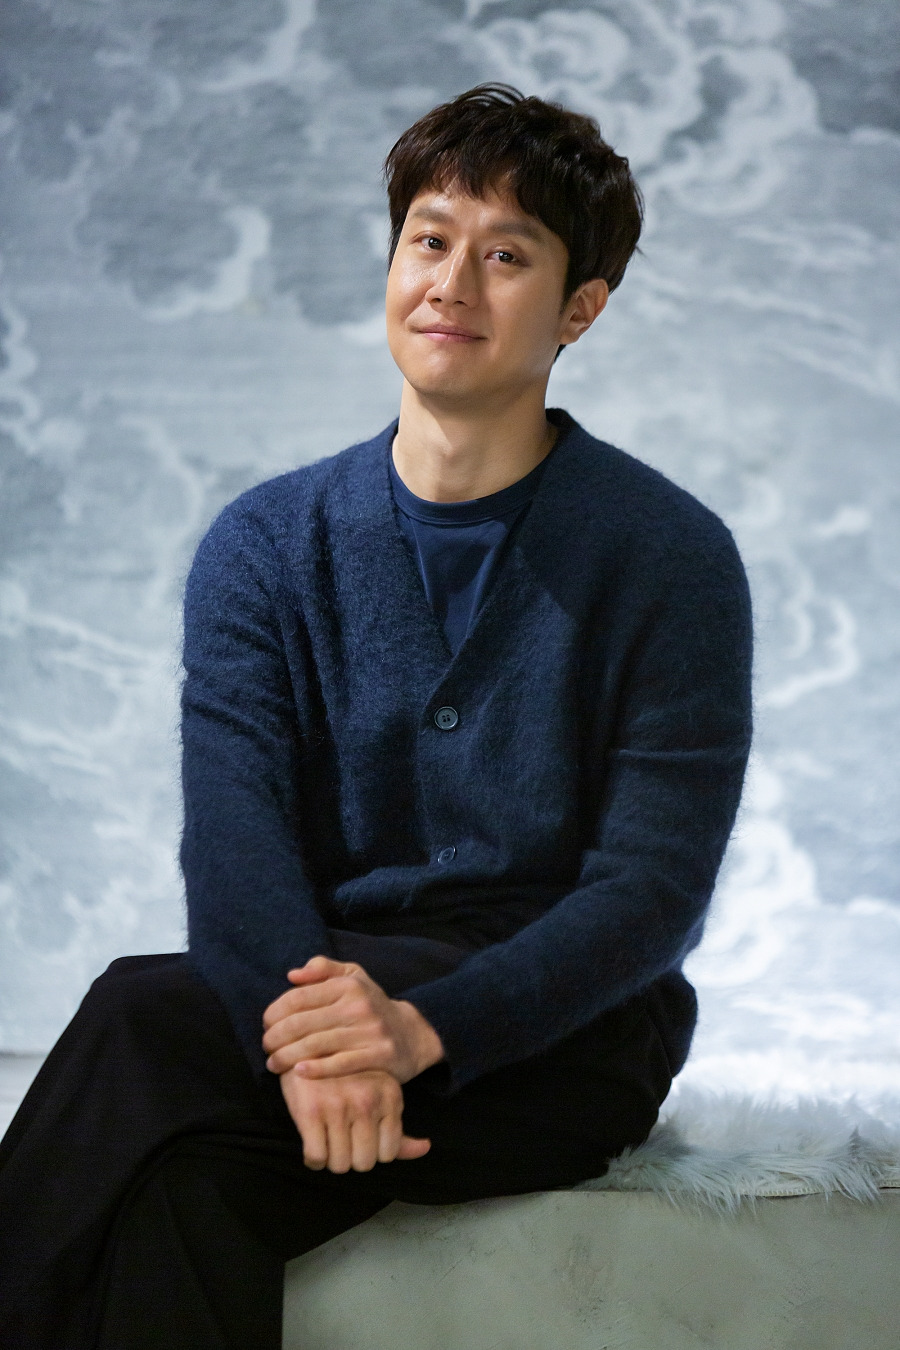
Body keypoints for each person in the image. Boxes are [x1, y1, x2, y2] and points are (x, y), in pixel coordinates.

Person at [0, 84, 753, 1349]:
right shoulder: (263, 545)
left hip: (563, 1038)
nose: (452, 283)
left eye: (506, 256)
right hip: (319, 1003)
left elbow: (655, 893)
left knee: (136, 1014)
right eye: (429, 239)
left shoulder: (670, 556)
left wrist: (424, 1031)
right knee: (183, 1191)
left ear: (580, 308)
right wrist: (323, 1049)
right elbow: (235, 845)